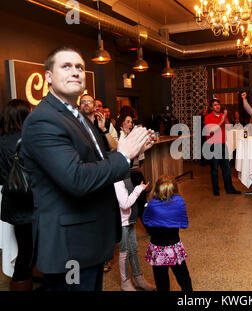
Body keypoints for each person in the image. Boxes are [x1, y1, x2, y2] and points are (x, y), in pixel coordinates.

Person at [21, 46, 154, 291]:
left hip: (89, 241)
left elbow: (98, 163)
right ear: (48, 76)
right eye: (66, 66)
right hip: (70, 247)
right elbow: (77, 179)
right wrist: (123, 156)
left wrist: (126, 150)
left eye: (80, 67)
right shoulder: (44, 119)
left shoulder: (78, 116)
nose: (76, 72)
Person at [0, 99, 36, 291]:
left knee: (24, 247)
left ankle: (23, 280)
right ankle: (22, 282)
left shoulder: (1, 140)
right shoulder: (27, 139)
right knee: (28, 252)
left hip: (12, 202)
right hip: (30, 201)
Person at [142, 175, 193, 291]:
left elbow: (146, 222)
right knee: (184, 278)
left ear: (156, 189)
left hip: (157, 248)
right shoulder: (179, 202)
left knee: (161, 281)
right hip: (174, 247)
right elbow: (184, 223)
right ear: (175, 189)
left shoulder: (152, 204)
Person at [114, 178, 155, 291]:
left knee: (133, 249)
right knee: (124, 252)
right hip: (122, 223)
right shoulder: (117, 181)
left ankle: (138, 278)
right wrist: (138, 189)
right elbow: (124, 204)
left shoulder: (125, 177)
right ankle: (125, 282)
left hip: (129, 220)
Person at [204, 98, 241, 196]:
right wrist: (222, 119)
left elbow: (229, 127)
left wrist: (226, 119)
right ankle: (216, 189)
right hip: (213, 145)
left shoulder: (222, 116)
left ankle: (230, 189)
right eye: (215, 105)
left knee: (227, 168)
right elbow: (212, 131)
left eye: (218, 104)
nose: (218, 106)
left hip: (223, 144)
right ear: (212, 107)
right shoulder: (208, 117)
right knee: (215, 169)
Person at [117, 112, 148, 221]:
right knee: (134, 203)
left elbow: (139, 156)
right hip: (127, 176)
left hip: (136, 172)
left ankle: (149, 225)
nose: (130, 124)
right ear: (122, 123)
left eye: (131, 122)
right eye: (128, 122)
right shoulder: (119, 137)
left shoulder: (132, 136)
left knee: (143, 199)